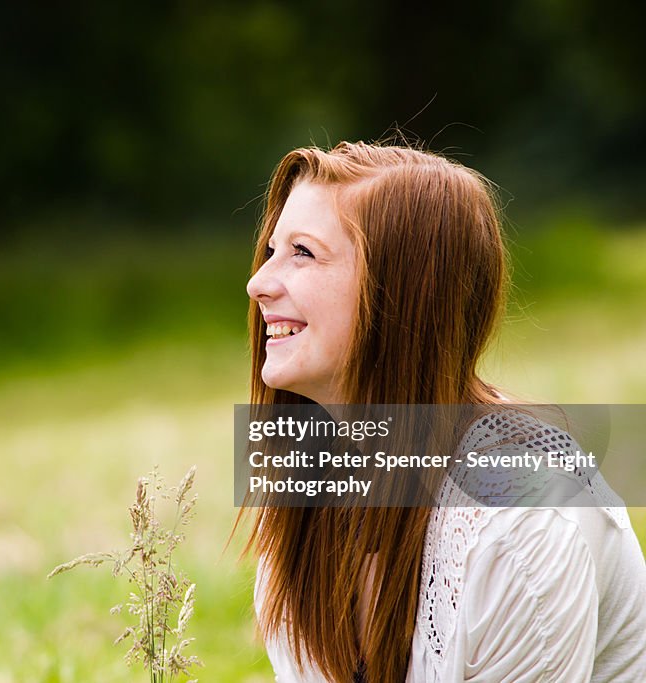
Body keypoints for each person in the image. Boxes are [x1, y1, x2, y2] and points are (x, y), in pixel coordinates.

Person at [237, 141, 646, 682]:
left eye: (303, 253)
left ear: (404, 291)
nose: (258, 283)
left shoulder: (525, 522)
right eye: (271, 251)